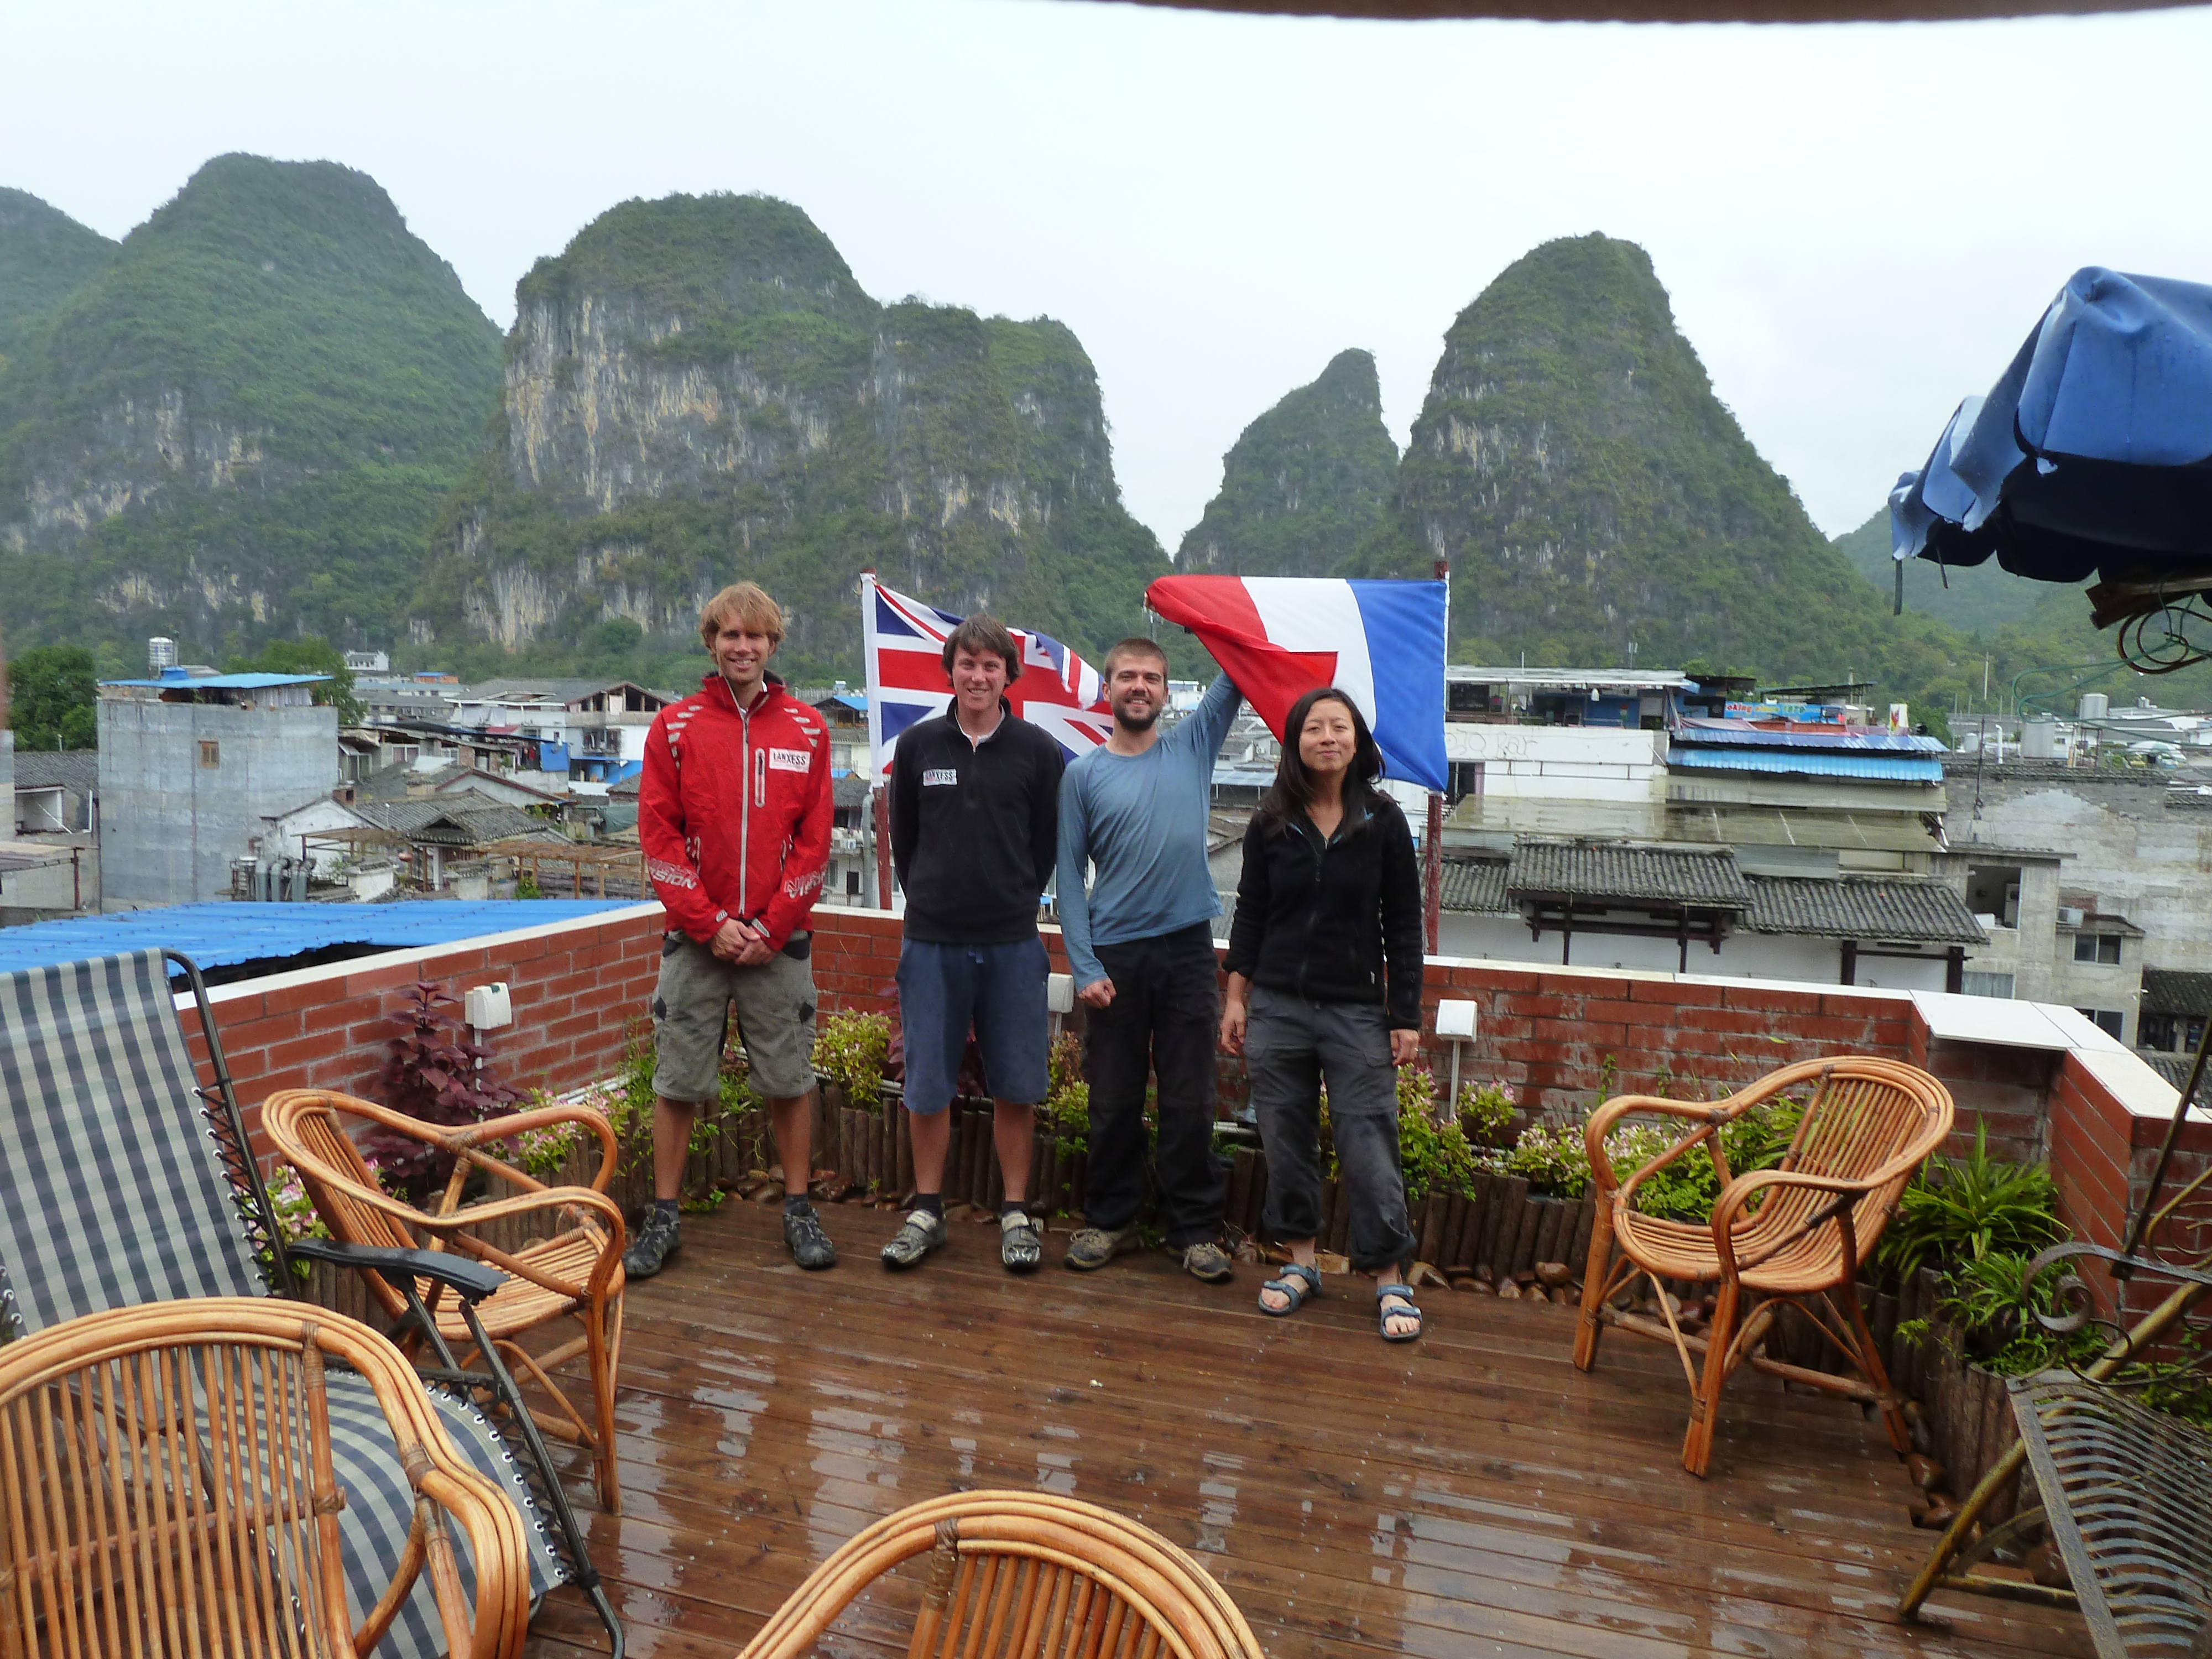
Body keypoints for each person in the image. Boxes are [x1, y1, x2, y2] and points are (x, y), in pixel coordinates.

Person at [627, 581, 837, 1278]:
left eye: (754, 635)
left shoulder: (809, 729)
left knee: (790, 1079)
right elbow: (659, 836)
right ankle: (663, 1217)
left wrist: (771, 928)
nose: (742, 647)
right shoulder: (675, 728)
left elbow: (814, 841)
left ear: (773, 644)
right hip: (696, 940)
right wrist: (711, 923)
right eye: (730, 635)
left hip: (779, 941)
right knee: (676, 1081)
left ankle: (799, 1209)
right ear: (711, 644)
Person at [1218, 686, 1426, 1342]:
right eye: (1314, 728)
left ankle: (1389, 1277)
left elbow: (1404, 925)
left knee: (1369, 1142)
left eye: (1339, 727)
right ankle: (1300, 1264)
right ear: (1295, 742)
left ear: (1357, 741)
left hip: (1356, 1011)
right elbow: (1250, 912)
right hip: (1277, 1007)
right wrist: (1235, 997)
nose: (1327, 738)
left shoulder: (1383, 821)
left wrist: (1405, 1015)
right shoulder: (1270, 821)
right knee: (1285, 1140)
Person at [1055, 639, 1243, 1281]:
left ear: (1166, 691)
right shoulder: (1082, 775)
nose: (1140, 687)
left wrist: (1215, 616)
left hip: (1187, 949)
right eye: (1128, 677)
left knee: (1190, 1098)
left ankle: (1193, 1230)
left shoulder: (1192, 746)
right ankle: (1111, 1219)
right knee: (1113, 1097)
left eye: (1153, 678)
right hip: (1115, 955)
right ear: (1107, 688)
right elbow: (1069, 877)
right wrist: (1085, 966)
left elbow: (1236, 672)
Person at [883, 615, 1064, 1274]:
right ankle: (926, 1211)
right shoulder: (917, 747)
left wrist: (1009, 898)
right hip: (932, 943)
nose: (978, 676)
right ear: (950, 671)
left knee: (1016, 1083)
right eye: (967, 664)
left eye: (991, 665)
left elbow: (1045, 845)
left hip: (1012, 944)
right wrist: (935, 898)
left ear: (1008, 675)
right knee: (927, 1084)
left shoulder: (1038, 751)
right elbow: (905, 839)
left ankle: (1015, 1211)